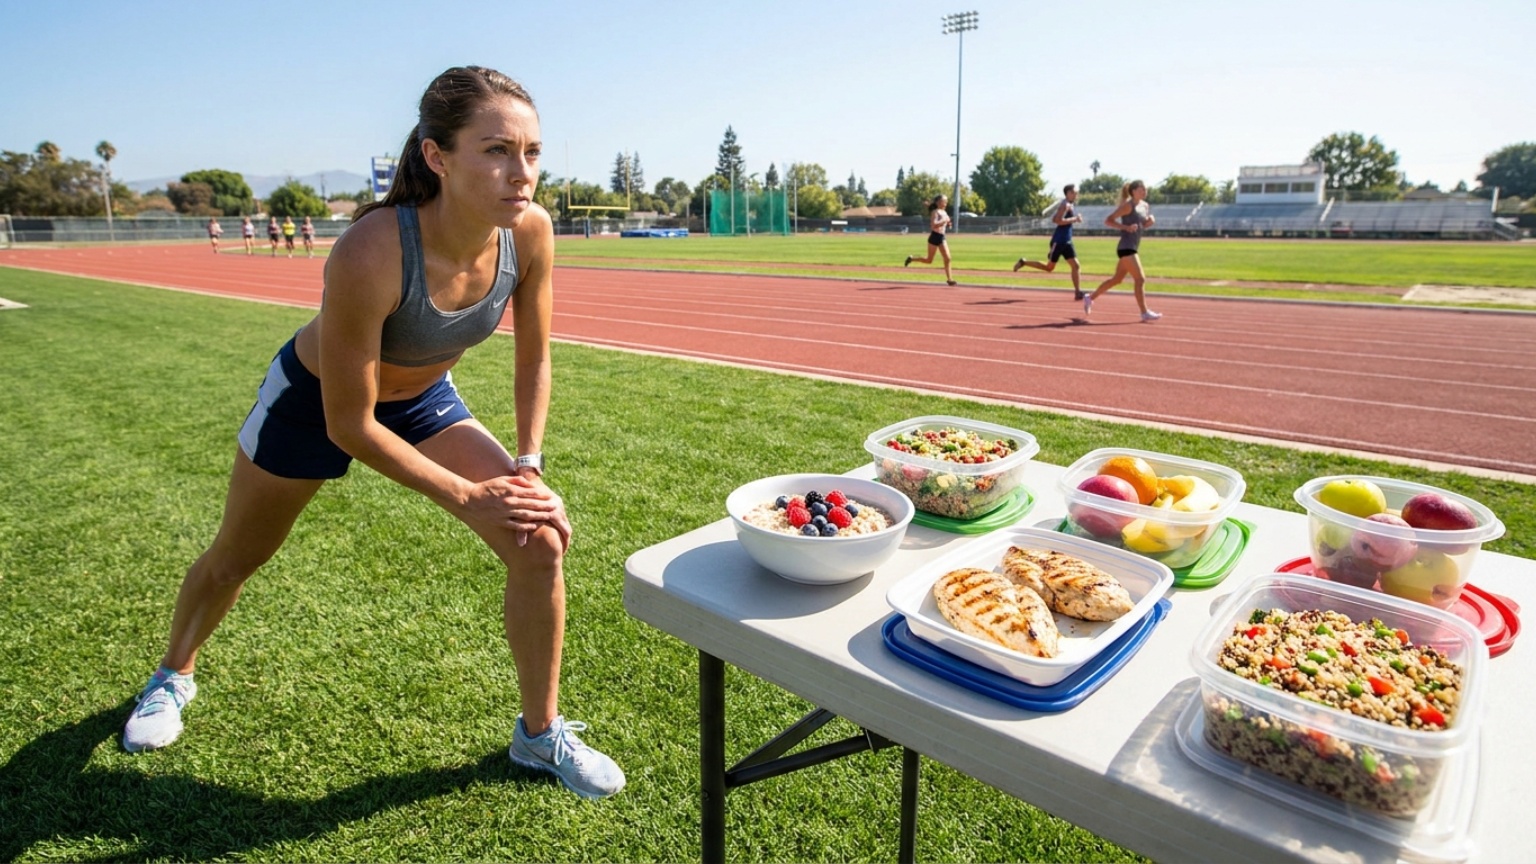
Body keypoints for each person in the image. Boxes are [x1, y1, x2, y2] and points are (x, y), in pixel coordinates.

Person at [120, 65, 625, 800]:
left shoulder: (531, 232)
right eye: (495, 150)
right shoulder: (372, 248)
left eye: (533, 152)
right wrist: (467, 494)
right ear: (436, 156)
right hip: (315, 401)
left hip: (422, 399)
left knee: (538, 538)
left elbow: (535, 354)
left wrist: (526, 466)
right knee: (237, 556)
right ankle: (174, 674)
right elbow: (349, 423)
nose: (522, 174)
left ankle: (539, 736)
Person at [1083, 180, 1161, 321]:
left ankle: (1090, 297)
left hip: (1133, 245)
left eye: (1145, 188)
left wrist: (1149, 222)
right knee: (1140, 278)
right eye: (1141, 189)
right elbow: (1109, 220)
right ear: (1133, 191)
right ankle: (1144, 312)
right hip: (1126, 247)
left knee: (1116, 280)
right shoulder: (1127, 206)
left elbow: (1140, 225)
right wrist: (1126, 228)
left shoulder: (1145, 206)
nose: (1144, 191)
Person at [1013, 184, 1085, 300]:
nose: (1076, 195)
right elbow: (1056, 220)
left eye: (1076, 193)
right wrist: (1075, 219)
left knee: (1076, 266)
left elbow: (1057, 219)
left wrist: (1074, 219)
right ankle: (1024, 262)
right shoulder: (1065, 204)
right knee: (1049, 268)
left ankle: (1077, 292)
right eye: (1074, 193)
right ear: (1068, 193)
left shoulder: (1070, 205)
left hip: (1067, 241)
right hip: (1059, 241)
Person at [903, 194, 956, 286]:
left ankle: (950, 279)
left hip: (941, 237)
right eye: (944, 201)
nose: (946, 203)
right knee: (929, 260)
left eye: (947, 202)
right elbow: (933, 225)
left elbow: (948, 221)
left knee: (948, 258)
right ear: (938, 202)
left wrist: (949, 224)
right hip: (934, 236)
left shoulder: (944, 212)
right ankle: (912, 259)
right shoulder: (935, 212)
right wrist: (943, 222)